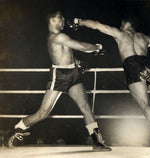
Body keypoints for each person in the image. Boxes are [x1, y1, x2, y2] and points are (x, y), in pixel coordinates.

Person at [67, 17, 150, 152]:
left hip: (133, 66)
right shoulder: (145, 37)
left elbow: (97, 25)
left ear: (127, 23)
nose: (120, 25)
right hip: (148, 64)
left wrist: (78, 21)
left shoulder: (120, 34)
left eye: (122, 23)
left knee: (144, 104)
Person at [3, 11, 111, 151]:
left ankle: (97, 142)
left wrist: (77, 62)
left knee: (85, 107)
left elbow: (66, 53)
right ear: (53, 20)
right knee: (42, 113)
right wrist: (97, 47)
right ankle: (13, 132)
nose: (64, 20)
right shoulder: (57, 36)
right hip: (59, 76)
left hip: (73, 73)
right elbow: (82, 47)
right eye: (61, 18)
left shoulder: (61, 37)